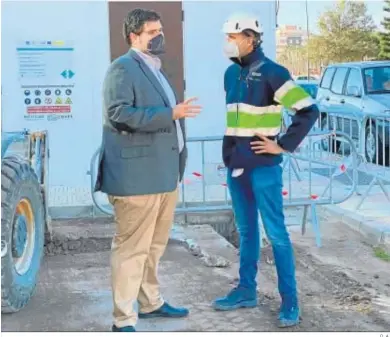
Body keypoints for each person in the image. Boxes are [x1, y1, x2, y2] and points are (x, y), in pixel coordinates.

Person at [94, 8, 201, 332]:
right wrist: (171, 112)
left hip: (164, 175)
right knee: (131, 250)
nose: (160, 36)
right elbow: (119, 114)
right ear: (134, 36)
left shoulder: (154, 68)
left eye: (160, 30)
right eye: (152, 32)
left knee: (154, 247)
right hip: (136, 178)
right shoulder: (122, 69)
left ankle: (150, 303)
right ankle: (123, 319)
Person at [213, 13, 319, 328]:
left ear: (250, 38)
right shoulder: (231, 74)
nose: (228, 44)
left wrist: (282, 145)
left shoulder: (274, 72)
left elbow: (308, 110)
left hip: (264, 167)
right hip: (237, 166)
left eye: (232, 38)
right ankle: (246, 290)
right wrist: (230, 154)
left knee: (276, 235)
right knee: (246, 232)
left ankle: (290, 303)